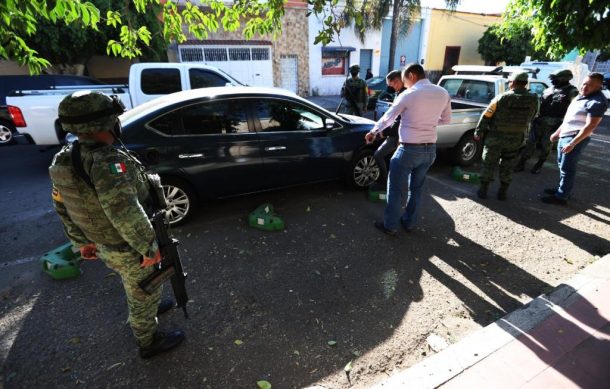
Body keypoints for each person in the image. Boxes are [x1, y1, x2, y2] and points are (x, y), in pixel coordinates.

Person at [48, 91, 185, 359]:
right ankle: (148, 340)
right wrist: (149, 248)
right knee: (141, 293)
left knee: (139, 286)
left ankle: (150, 305)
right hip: (128, 246)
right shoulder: (110, 163)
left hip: (103, 244)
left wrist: (81, 242)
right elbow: (125, 212)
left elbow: (62, 206)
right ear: (108, 125)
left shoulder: (64, 159)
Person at [365, 63, 451, 235]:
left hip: (409, 150)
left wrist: (374, 131)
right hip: (430, 150)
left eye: (404, 80)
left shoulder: (409, 95)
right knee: (416, 189)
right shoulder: (443, 93)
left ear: (412, 75)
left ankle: (390, 226)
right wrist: (430, 123)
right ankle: (409, 223)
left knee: (395, 189)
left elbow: (389, 117)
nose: (404, 84)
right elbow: (446, 120)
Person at [541, 72, 608, 205]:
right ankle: (562, 190)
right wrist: (558, 132)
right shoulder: (581, 96)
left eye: (589, 85)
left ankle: (561, 197)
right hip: (566, 135)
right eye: (584, 83)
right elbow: (569, 118)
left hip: (575, 138)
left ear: (599, 86)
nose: (584, 87)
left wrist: (572, 143)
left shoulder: (597, 102)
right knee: (562, 166)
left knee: (567, 169)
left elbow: (590, 125)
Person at [474, 72, 539, 200]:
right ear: (525, 84)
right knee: (508, 165)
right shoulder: (533, 99)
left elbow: (487, 115)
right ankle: (502, 193)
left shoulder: (501, 97)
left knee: (488, 163)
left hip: (495, 138)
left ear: (513, 83)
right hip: (515, 139)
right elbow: (533, 116)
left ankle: (483, 191)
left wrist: (478, 131)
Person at [515, 69, 578, 174]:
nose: (553, 81)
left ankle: (539, 164)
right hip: (539, 121)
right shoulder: (549, 89)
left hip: (555, 124)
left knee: (546, 146)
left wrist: (563, 125)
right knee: (530, 143)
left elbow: (574, 110)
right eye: (552, 79)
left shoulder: (572, 92)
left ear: (564, 79)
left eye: (555, 79)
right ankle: (522, 163)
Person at [371, 70, 406, 191]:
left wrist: (384, 132)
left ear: (399, 80)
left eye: (393, 84)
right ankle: (388, 180)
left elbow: (399, 120)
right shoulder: (399, 92)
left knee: (378, 155)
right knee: (387, 157)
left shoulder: (405, 94)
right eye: (390, 85)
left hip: (399, 134)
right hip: (397, 132)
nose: (392, 87)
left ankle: (384, 182)